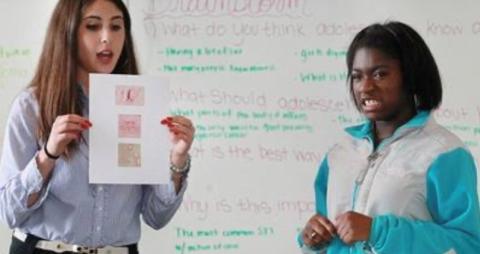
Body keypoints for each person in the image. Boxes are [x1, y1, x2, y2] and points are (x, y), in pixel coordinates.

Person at [0, 0, 195, 253]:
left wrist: (177, 160)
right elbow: (8, 212)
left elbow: (157, 218)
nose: (107, 38)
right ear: (67, 33)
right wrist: (48, 155)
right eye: (92, 26)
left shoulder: (141, 107)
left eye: (116, 27)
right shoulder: (32, 106)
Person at [298, 21, 480, 253]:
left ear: (411, 77)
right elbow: (327, 237)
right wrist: (312, 239)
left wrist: (379, 232)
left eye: (380, 74)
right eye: (357, 77)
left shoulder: (444, 153)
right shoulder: (341, 152)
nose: (366, 87)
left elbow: (468, 246)